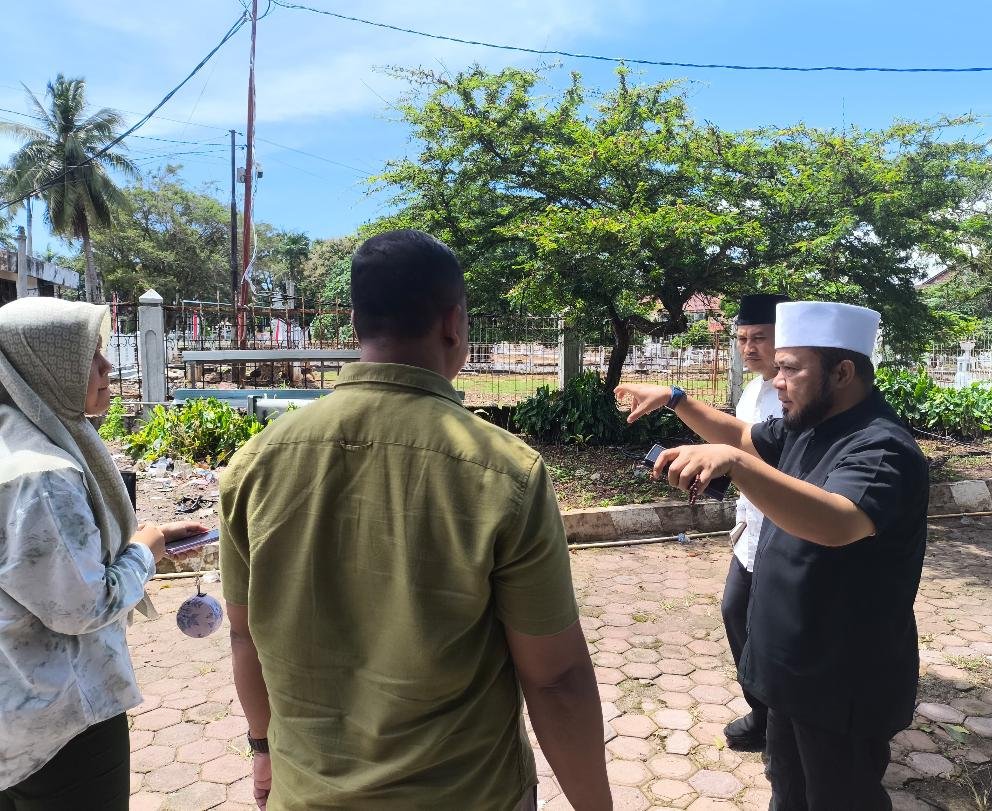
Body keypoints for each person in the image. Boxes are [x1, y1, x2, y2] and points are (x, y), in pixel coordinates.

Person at [219, 229, 611, 811]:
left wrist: (262, 747)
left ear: (356, 324)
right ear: (454, 324)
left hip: (306, 796)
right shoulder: (505, 473)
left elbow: (243, 634)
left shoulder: (253, 465)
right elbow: (555, 679)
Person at [619, 301, 928, 810]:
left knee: (839, 798)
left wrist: (737, 466)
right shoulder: (810, 421)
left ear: (842, 372)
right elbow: (743, 437)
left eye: (790, 369)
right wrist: (676, 400)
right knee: (788, 790)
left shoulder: (880, 446)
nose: (776, 381)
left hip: (841, 679)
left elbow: (837, 521)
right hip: (793, 671)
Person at [0, 297, 206, 811]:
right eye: (88, 355)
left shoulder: (14, 438)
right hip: (62, 722)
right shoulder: (43, 475)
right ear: (44, 367)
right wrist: (143, 551)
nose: (107, 366)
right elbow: (84, 606)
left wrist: (148, 537)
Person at [615, 293, 787, 751]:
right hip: (752, 532)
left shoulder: (798, 396)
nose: (748, 348)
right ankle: (763, 713)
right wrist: (711, 472)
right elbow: (741, 442)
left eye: (760, 338)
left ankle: (784, 725)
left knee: (777, 634)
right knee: (736, 614)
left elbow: (757, 454)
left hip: (788, 534)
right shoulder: (754, 391)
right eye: (742, 339)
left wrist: (678, 401)